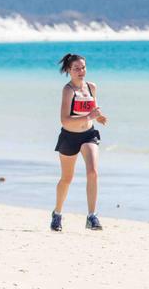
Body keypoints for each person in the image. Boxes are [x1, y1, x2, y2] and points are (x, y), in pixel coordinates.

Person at [51, 53, 108, 232]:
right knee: (67, 179)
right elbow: (65, 120)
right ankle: (57, 213)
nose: (81, 71)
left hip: (88, 135)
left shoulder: (91, 87)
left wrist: (98, 117)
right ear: (69, 70)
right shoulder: (68, 90)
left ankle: (92, 216)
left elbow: (93, 109)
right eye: (76, 68)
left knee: (93, 172)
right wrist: (88, 116)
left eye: (83, 67)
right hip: (69, 137)